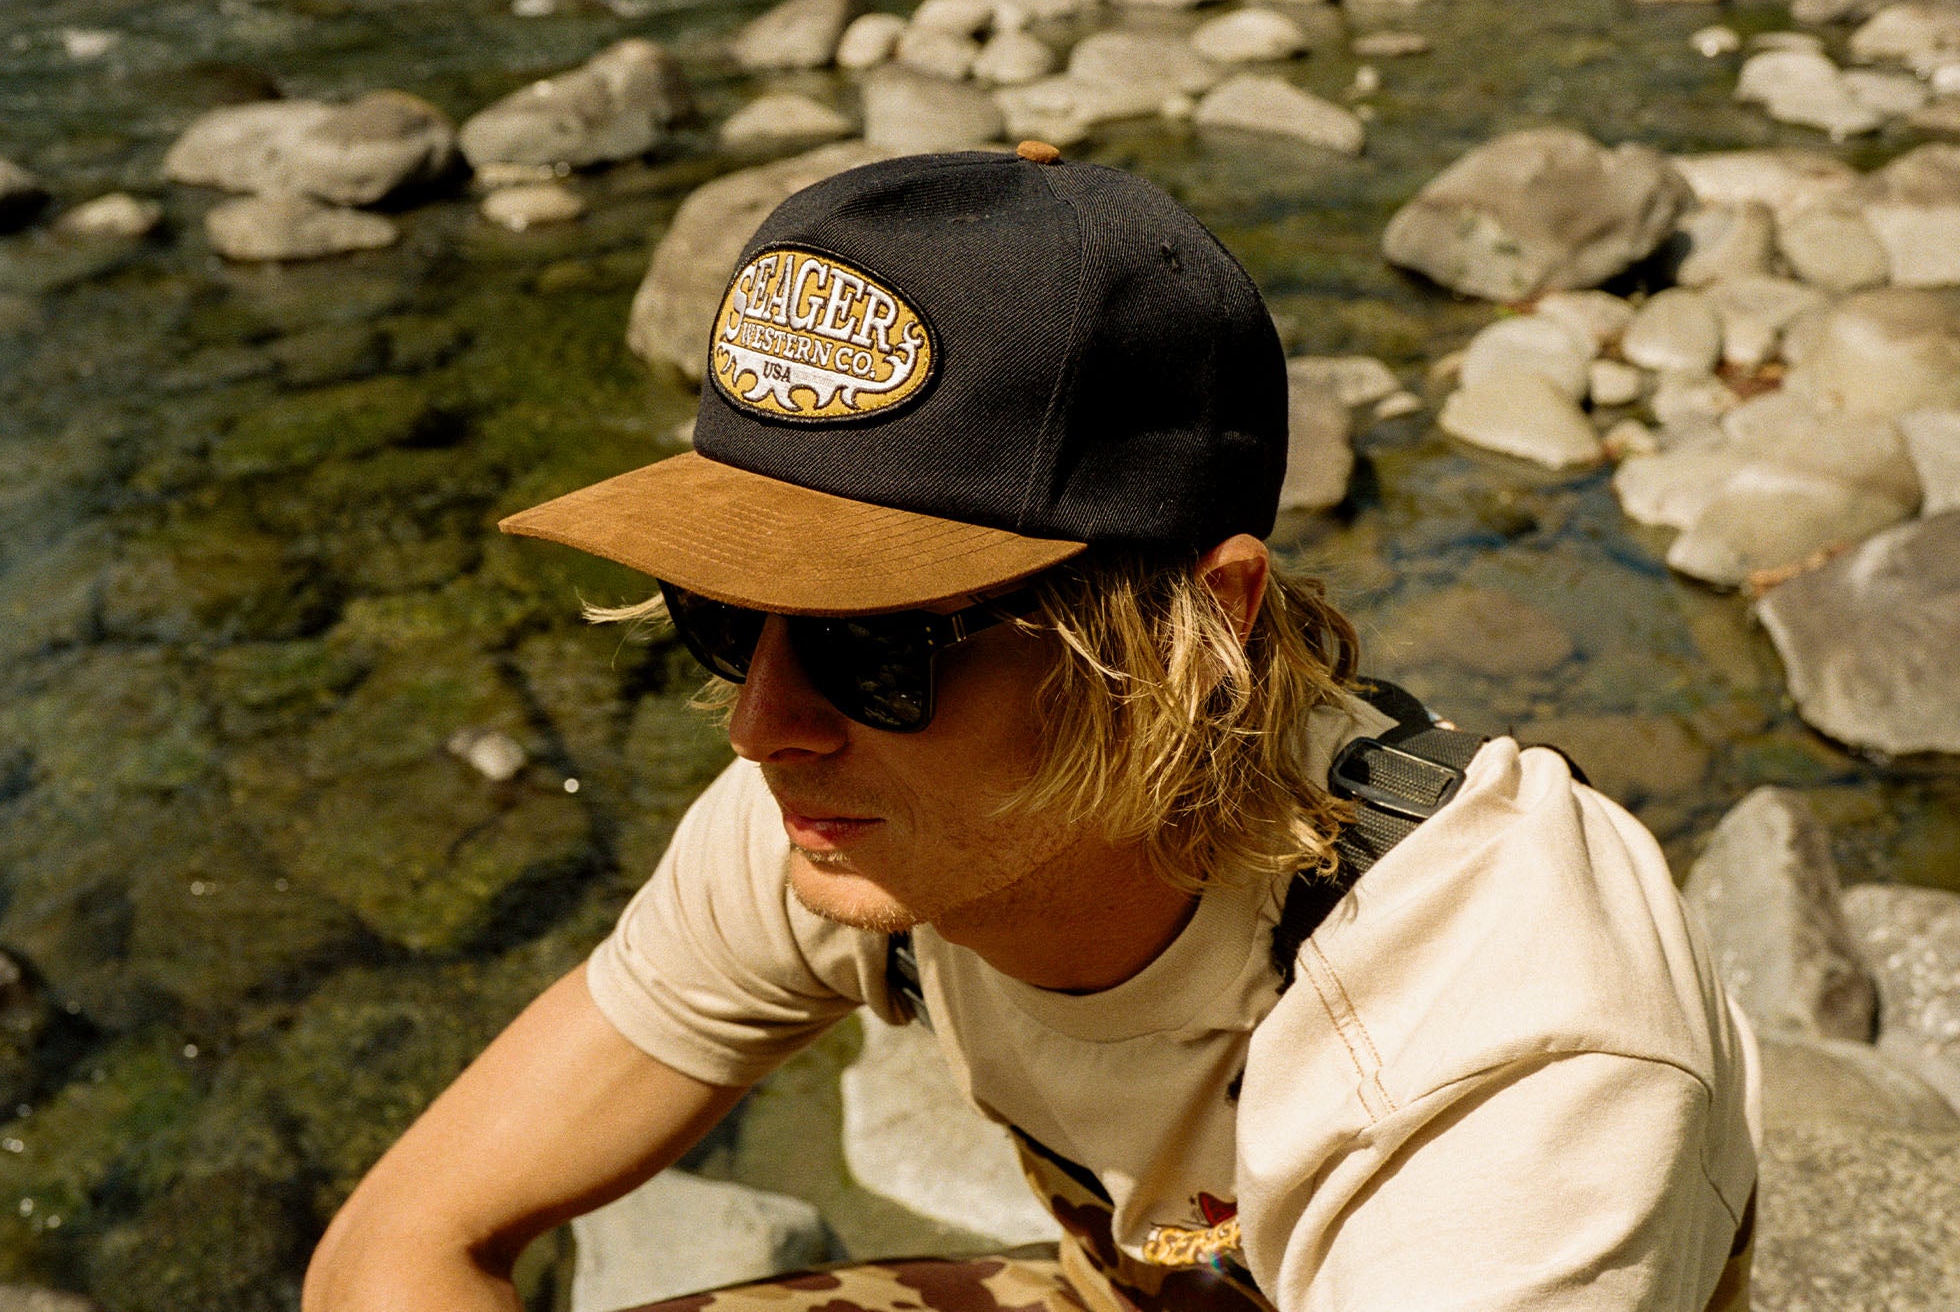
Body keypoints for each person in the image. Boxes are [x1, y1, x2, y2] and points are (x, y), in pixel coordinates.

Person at [303, 144, 1760, 1312]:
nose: (763, 723)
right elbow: (396, 1249)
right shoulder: (842, 811)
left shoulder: (1501, 1048)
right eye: (725, 613)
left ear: (1203, 633)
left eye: (880, 645)